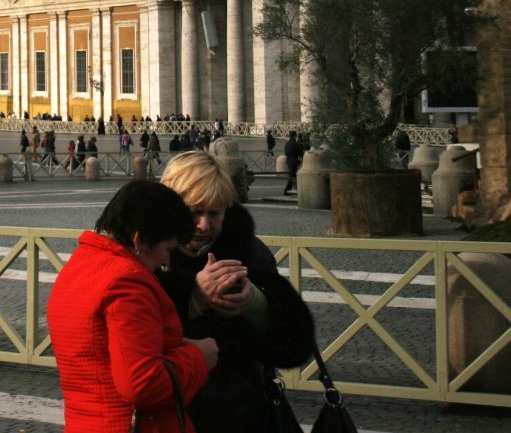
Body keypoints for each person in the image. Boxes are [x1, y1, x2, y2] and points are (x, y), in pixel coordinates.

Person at [157, 152, 314, 432]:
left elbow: (291, 341)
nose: (204, 225)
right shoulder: (147, 257)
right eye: (194, 212)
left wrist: (255, 301)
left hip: (240, 408)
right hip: (169, 406)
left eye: (214, 213)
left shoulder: (248, 252)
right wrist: (194, 300)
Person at [47, 180, 217, 432]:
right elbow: (142, 383)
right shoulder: (127, 282)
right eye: (167, 248)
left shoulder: (79, 265)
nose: (166, 260)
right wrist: (199, 357)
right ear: (139, 240)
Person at [283, 130, 304, 195]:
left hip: (289, 160)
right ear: (295, 136)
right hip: (293, 161)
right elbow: (300, 153)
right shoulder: (295, 143)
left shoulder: (287, 143)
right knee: (292, 176)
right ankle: (286, 191)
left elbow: (286, 152)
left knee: (293, 176)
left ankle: (295, 190)